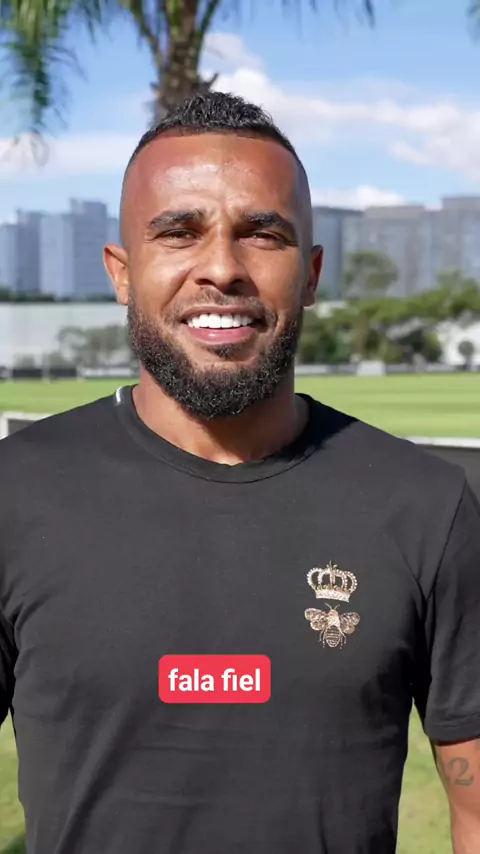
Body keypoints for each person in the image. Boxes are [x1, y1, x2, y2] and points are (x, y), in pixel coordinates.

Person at [1, 91, 480, 854]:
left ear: (312, 275)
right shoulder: (15, 495)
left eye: (263, 234)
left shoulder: (426, 507)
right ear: (122, 272)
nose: (221, 269)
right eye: (178, 232)